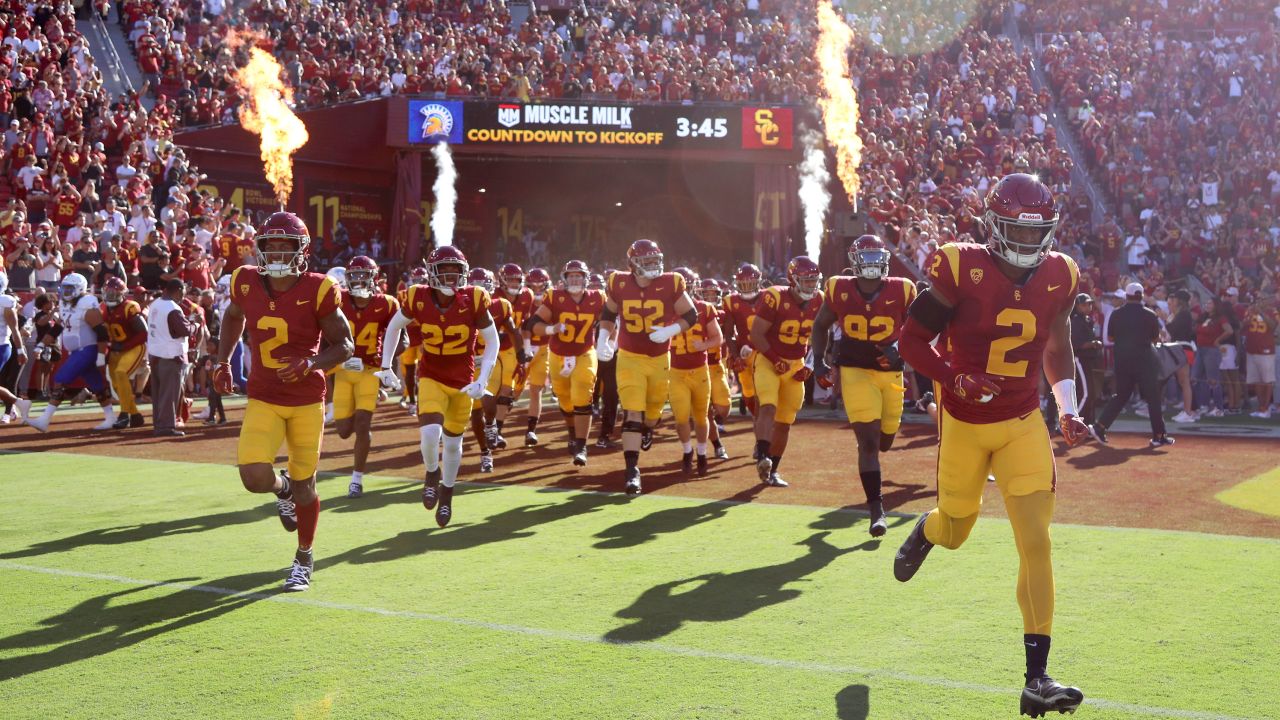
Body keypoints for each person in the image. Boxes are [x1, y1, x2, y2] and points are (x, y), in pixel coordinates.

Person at [895, 173, 1088, 716]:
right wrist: (952, 376)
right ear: (991, 226)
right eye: (1016, 234)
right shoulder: (959, 265)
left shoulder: (1062, 273)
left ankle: (1037, 678)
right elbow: (912, 340)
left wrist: (1068, 407)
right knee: (957, 528)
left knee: (1037, 543)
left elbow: (1057, 344)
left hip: (1024, 418)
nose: (1028, 246)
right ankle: (928, 528)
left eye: (1037, 235)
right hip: (964, 420)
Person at [211, 211, 354, 592]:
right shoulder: (244, 281)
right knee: (254, 477)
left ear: (301, 249)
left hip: (306, 399)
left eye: (284, 245)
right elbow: (232, 317)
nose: (275, 253)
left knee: (307, 485)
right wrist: (223, 360)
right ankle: (281, 489)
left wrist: (311, 363)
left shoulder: (320, 288)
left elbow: (345, 345)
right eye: (269, 245)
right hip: (264, 395)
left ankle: (304, 556)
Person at [377, 245, 497, 527]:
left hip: (463, 381)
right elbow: (394, 327)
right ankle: (431, 473)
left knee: (454, 446)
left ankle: (447, 493)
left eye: (456, 271)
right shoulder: (418, 297)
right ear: (432, 273)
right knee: (431, 434)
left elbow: (493, 340)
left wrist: (483, 380)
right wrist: (385, 366)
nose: (451, 277)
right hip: (430, 375)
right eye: (444, 271)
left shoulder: (475, 298)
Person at [811, 235, 915, 535]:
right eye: (866, 258)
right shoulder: (838, 288)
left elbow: (922, 327)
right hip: (855, 370)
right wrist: (818, 361)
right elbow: (820, 325)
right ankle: (876, 509)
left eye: (876, 258)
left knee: (885, 439)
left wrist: (901, 348)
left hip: (890, 373)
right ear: (855, 261)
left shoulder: (903, 289)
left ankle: (875, 496)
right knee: (868, 443)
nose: (872, 265)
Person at [597, 239, 700, 494]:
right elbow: (609, 313)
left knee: (652, 412)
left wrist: (671, 330)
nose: (653, 266)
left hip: (659, 358)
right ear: (633, 264)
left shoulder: (671, 282)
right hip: (630, 357)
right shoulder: (618, 283)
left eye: (655, 260)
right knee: (632, 411)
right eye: (647, 261)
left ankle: (648, 429)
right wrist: (602, 338)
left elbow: (691, 314)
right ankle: (632, 471)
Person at [748, 255, 824, 488]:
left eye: (814, 280)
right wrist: (774, 358)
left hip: (796, 363)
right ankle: (762, 455)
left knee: (785, 422)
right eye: (807, 280)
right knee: (768, 405)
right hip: (769, 360)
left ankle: (773, 469)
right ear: (793, 279)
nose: (812, 285)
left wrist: (810, 364)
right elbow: (756, 335)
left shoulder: (819, 299)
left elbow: (821, 336)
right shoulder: (775, 296)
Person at [528, 259, 606, 467]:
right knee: (564, 398)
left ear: (585, 279)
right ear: (564, 278)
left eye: (578, 276)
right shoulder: (555, 297)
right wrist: (551, 329)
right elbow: (534, 323)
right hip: (558, 355)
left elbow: (611, 318)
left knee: (582, 393)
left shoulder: (598, 297)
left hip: (584, 352)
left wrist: (610, 340)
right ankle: (572, 432)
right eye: (571, 276)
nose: (574, 279)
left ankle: (581, 446)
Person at [334, 255, 400, 498]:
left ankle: (356, 479)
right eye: (354, 276)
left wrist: (386, 365)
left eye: (364, 275)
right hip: (343, 371)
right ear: (347, 278)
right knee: (343, 430)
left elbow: (401, 338)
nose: (359, 280)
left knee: (363, 424)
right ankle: (359, 403)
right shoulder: (338, 299)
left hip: (370, 370)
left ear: (375, 278)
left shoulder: (387, 303)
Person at [23, 273, 120, 432]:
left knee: (60, 379)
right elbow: (58, 327)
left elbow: (102, 333)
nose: (66, 292)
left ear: (80, 289)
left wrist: (101, 356)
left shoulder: (87, 303)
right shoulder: (64, 304)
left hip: (88, 349)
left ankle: (44, 419)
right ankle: (110, 418)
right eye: (65, 288)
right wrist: (40, 345)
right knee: (97, 385)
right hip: (76, 351)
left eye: (70, 288)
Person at [1093, 283, 1173, 447]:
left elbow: (1111, 337)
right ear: (1141, 295)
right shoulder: (1150, 314)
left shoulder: (1116, 314)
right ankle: (1159, 435)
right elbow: (1155, 338)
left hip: (1122, 360)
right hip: (1144, 360)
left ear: (1128, 296)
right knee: (1153, 397)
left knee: (1121, 395)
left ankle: (1100, 426)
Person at [665, 266, 723, 476]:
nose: (687, 291)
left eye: (689, 287)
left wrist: (704, 345)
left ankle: (702, 452)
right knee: (681, 417)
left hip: (699, 371)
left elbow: (718, 337)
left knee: (701, 416)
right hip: (676, 372)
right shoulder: (665, 310)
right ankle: (687, 451)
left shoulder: (705, 308)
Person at [465, 267, 521, 474]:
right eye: (475, 286)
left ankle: (492, 425)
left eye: (483, 286)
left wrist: (522, 355)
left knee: (488, 403)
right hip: (466, 362)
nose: (479, 291)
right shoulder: (459, 306)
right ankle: (485, 453)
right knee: (474, 411)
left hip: (489, 360)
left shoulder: (500, 306)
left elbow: (514, 331)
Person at [147, 278, 199, 437]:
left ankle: (159, 423)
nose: (184, 295)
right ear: (177, 290)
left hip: (155, 353)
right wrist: (194, 325)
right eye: (183, 291)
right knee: (169, 393)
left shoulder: (155, 303)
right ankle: (165, 426)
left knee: (158, 393)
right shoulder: (172, 308)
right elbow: (183, 330)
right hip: (170, 355)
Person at [491, 263, 534, 447]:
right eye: (510, 279)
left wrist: (525, 347)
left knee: (507, 390)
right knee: (489, 392)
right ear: (502, 281)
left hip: (510, 348)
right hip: (490, 348)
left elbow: (524, 325)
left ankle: (496, 431)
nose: (514, 283)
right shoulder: (492, 296)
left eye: (517, 280)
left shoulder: (527, 296)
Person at [101, 276, 148, 429]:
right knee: (116, 385)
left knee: (121, 373)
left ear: (122, 293)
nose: (110, 296)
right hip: (116, 349)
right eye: (108, 292)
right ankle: (135, 415)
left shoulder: (130, 307)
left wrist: (125, 346)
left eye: (114, 293)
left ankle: (124, 415)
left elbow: (143, 333)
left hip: (134, 346)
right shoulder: (104, 308)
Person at [518, 267, 553, 446]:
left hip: (543, 348)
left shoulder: (552, 300)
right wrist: (524, 347)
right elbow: (522, 326)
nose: (537, 290)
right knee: (513, 392)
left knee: (536, 390)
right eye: (534, 287)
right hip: (524, 348)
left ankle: (531, 430)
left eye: (541, 287)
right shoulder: (524, 300)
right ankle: (496, 425)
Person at [724, 262, 763, 418]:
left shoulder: (769, 296)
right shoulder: (731, 301)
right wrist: (735, 355)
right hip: (744, 351)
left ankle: (766, 420)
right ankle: (757, 419)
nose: (747, 287)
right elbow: (729, 334)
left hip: (765, 350)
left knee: (766, 387)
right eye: (743, 284)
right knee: (748, 389)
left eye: (750, 284)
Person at [699, 278, 732, 460]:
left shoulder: (723, 313)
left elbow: (729, 336)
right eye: (707, 293)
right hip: (699, 365)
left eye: (714, 293)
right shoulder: (693, 312)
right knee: (705, 413)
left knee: (724, 408)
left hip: (717, 364)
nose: (711, 296)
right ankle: (717, 446)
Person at [1068, 293, 1103, 425]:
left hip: (1088, 360)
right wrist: (1094, 344)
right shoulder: (1076, 320)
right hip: (1079, 359)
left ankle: (1088, 423)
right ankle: (1073, 423)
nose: (1087, 306)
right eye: (1084, 304)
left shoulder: (1087, 319)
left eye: (1089, 304)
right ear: (1077, 306)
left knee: (1090, 393)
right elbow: (1077, 344)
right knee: (1086, 394)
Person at [0, 273, 31, 421]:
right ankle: (19, 404)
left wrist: (20, 350)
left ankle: (15, 406)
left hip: (2, 346)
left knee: (9, 380)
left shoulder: (5, 302)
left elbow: (14, 330)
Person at [1241, 296, 1277, 418]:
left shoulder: (1273, 311)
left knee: (1267, 380)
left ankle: (1266, 409)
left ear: (1269, 299)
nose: (1259, 301)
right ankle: (1261, 407)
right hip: (1251, 350)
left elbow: (1273, 326)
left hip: (1265, 350)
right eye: (1258, 299)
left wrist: (1261, 312)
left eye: (1262, 299)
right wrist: (1250, 315)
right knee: (1256, 380)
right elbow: (1242, 326)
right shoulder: (1251, 310)